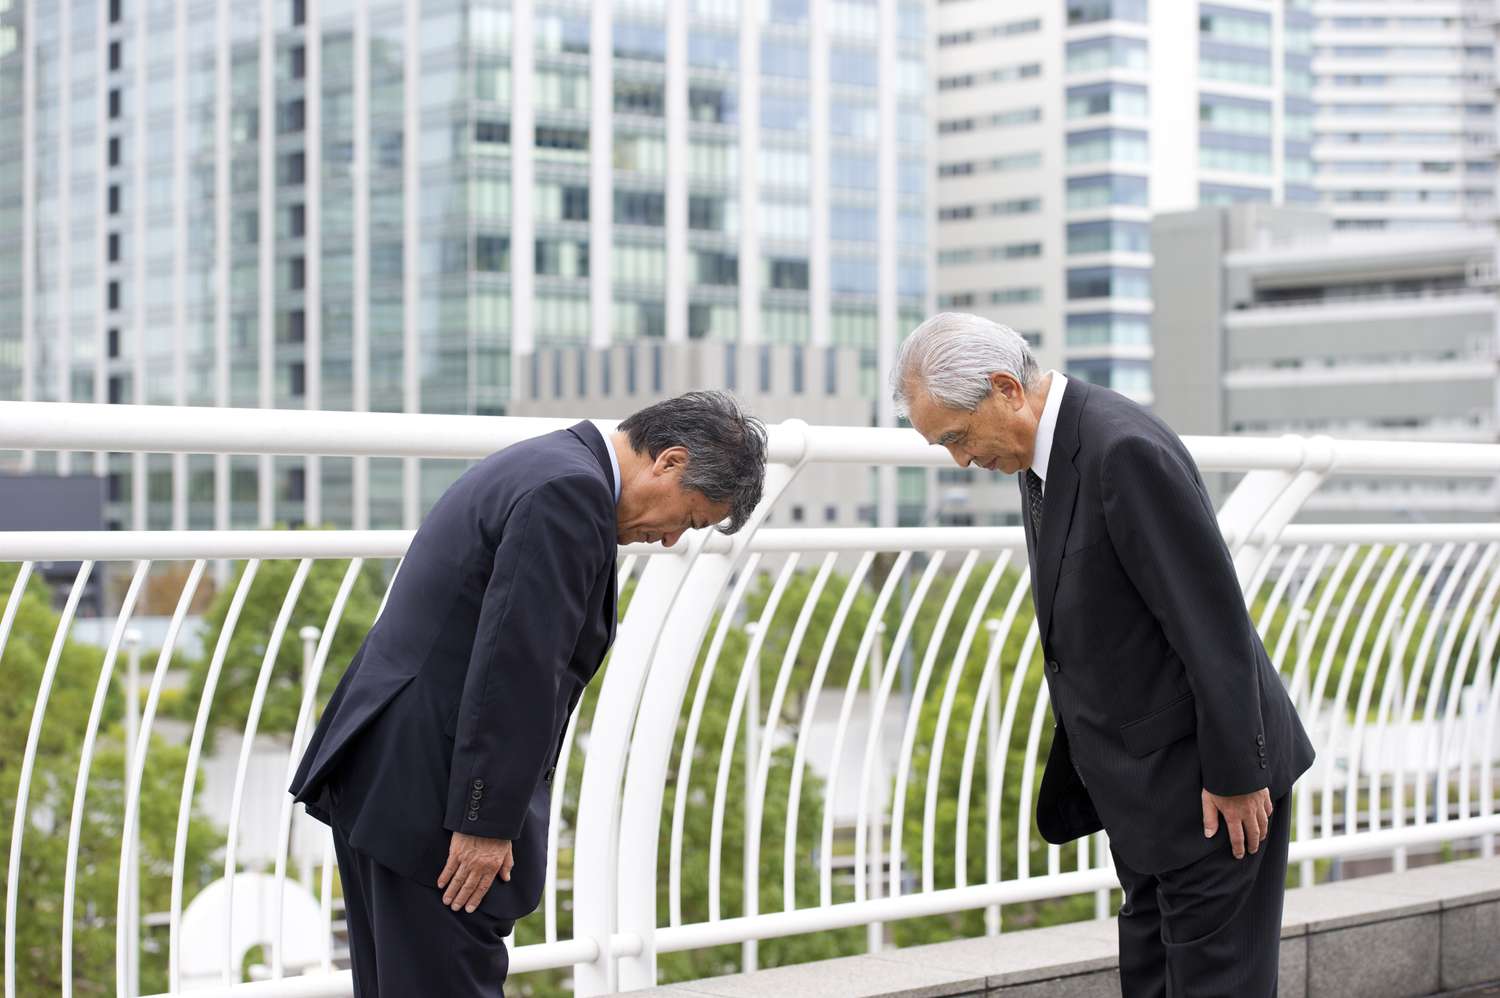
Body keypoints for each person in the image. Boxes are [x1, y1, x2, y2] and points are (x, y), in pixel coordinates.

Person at [290, 391, 767, 997]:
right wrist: (484, 821)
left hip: (389, 773)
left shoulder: (549, 464)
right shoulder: (569, 494)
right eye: (689, 518)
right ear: (668, 462)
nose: (671, 540)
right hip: (429, 797)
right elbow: (519, 664)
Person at [892, 313, 1314, 997]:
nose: (960, 459)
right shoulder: (1045, 460)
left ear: (1005, 388)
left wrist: (1239, 773)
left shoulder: (1121, 450)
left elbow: (1212, 620)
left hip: (1213, 789)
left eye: (958, 437)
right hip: (1145, 796)